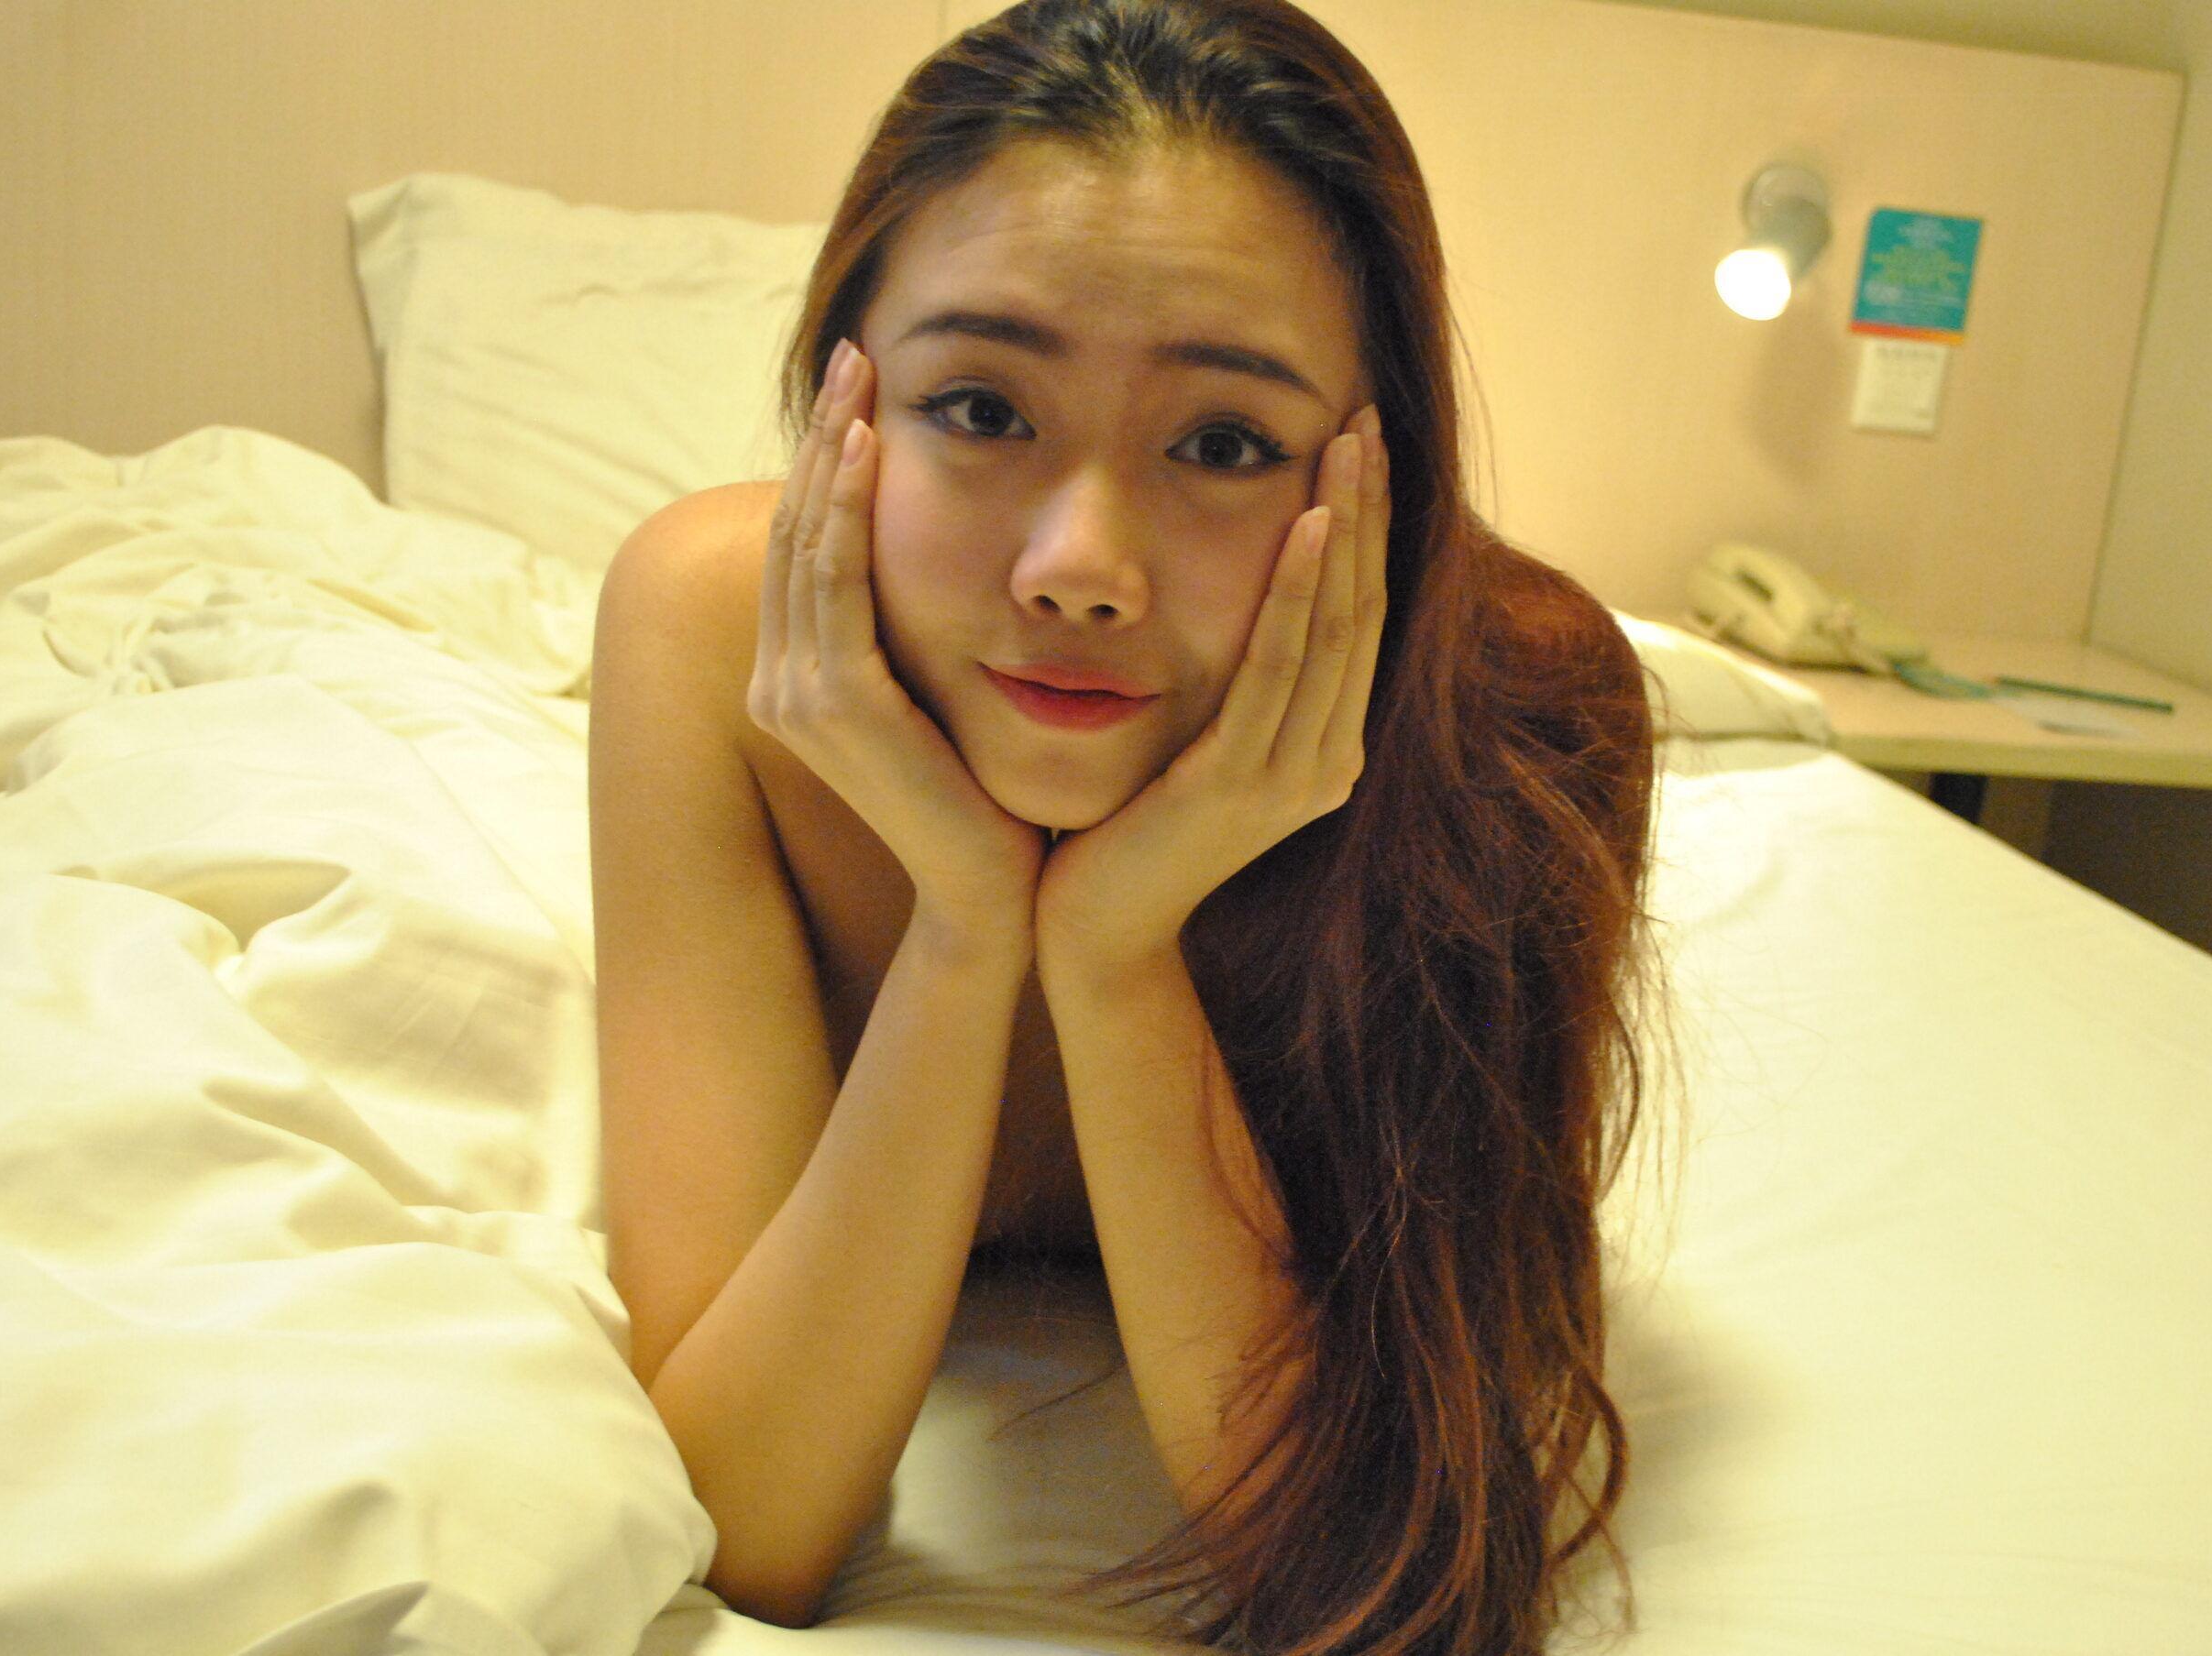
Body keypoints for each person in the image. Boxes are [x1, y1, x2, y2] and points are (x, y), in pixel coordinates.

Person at [588, 2, 1659, 1651]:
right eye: (980, 410)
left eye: (1222, 444)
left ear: (1380, 471)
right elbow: (751, 1525)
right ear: (841, 416)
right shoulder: (716, 637)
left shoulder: (1519, 710)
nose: (1079, 566)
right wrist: (964, 924)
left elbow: (1373, 1580)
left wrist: (1111, 948)